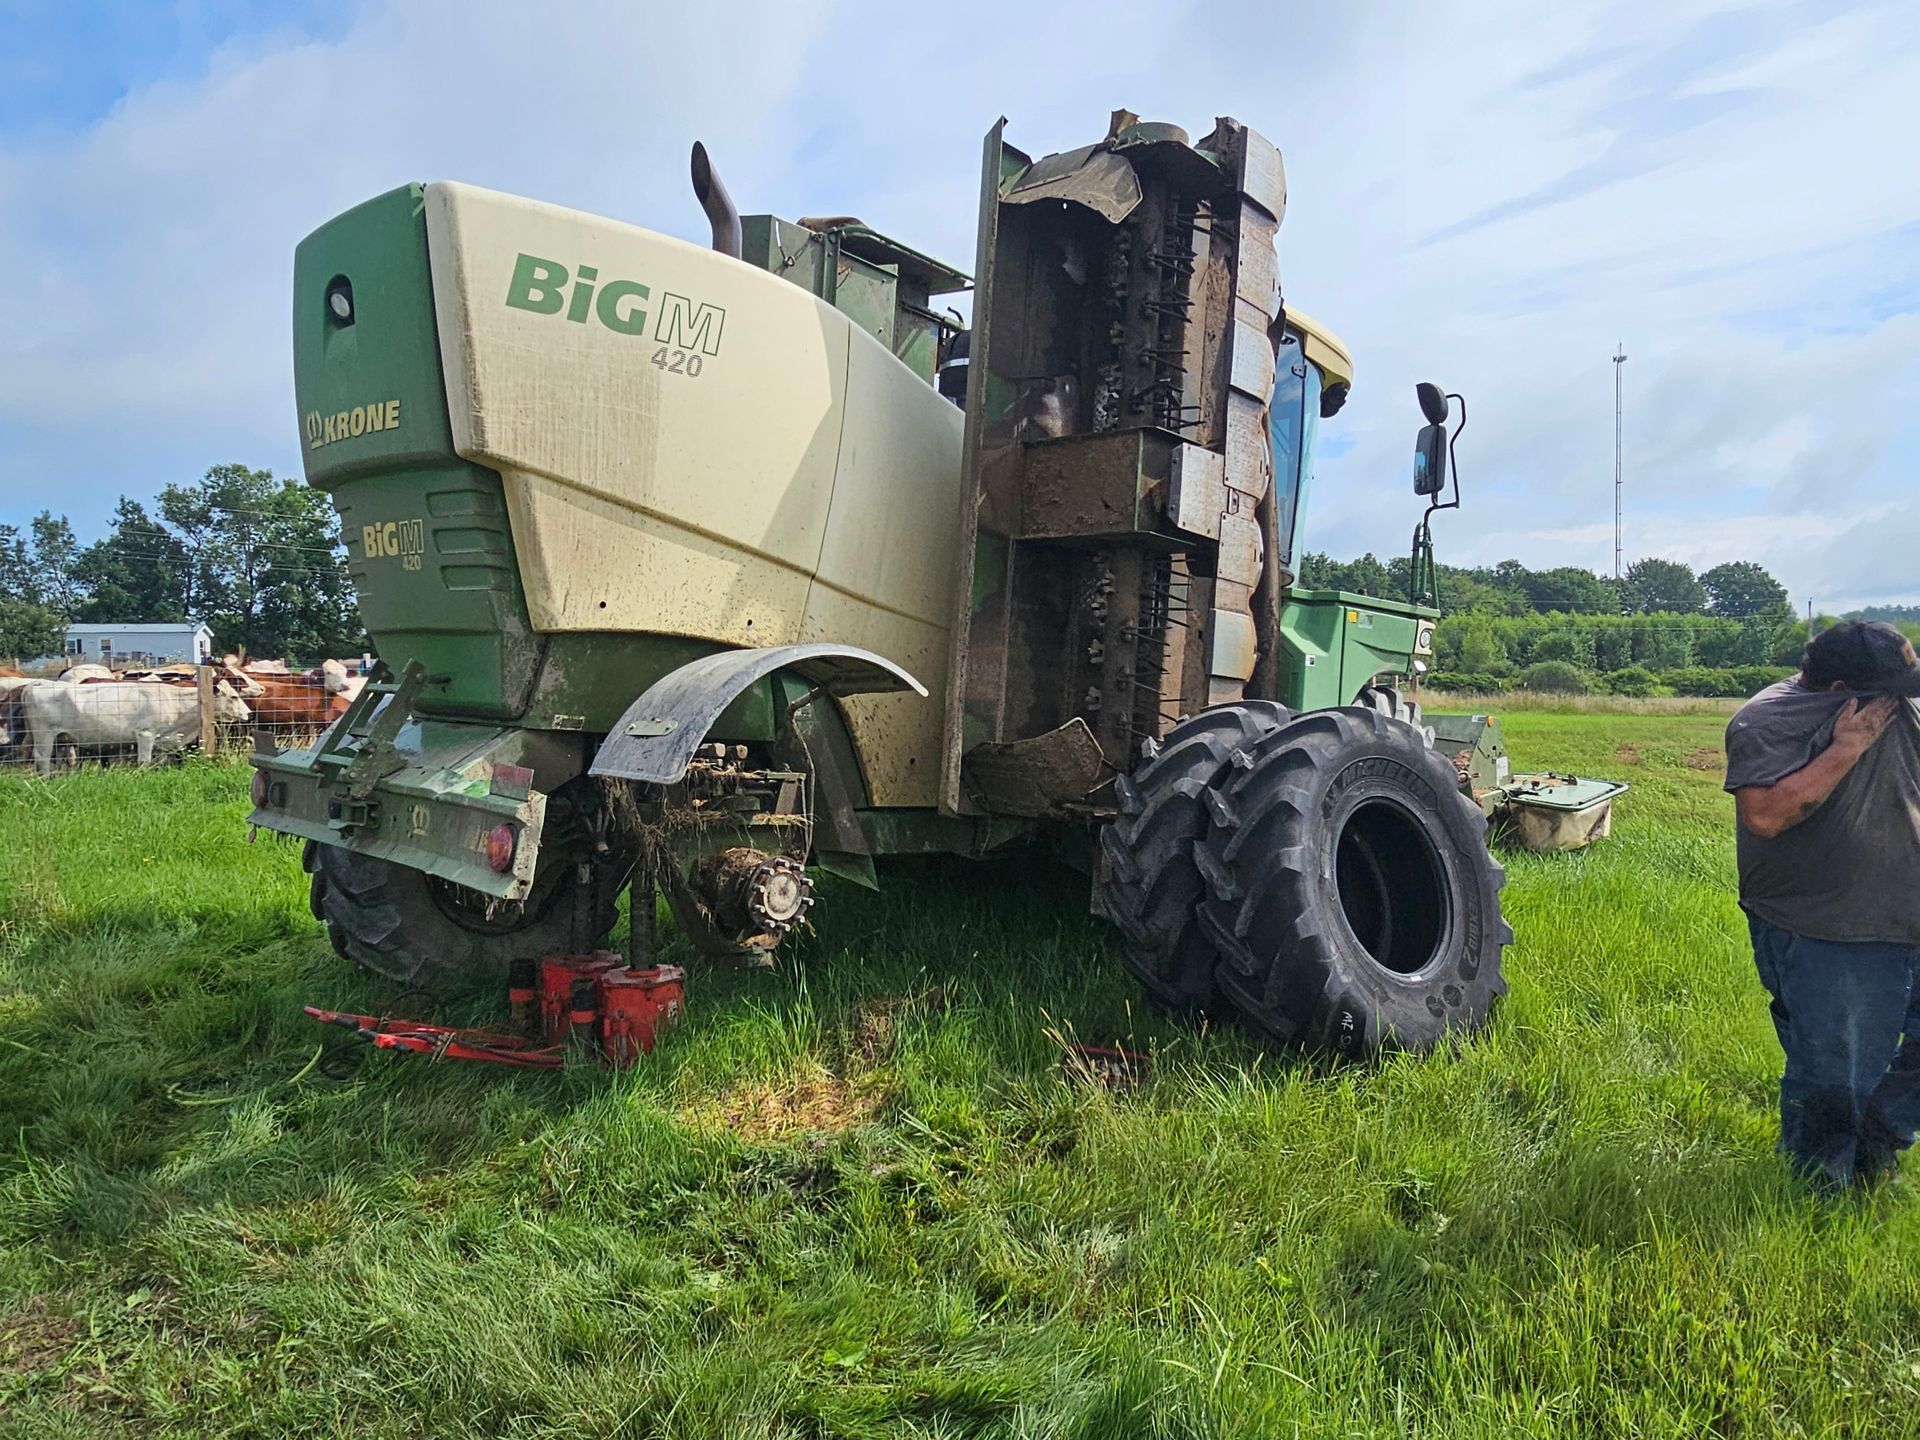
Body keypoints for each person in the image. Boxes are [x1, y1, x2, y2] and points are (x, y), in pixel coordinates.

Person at [1725, 620, 1920, 1191]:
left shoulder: (1899, 703)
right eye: (1893, 686)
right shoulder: (1766, 721)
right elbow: (1765, 815)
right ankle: (1821, 1187)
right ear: (1841, 690)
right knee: (1836, 1076)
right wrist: (1848, 747)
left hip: (1908, 915)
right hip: (1826, 928)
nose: (1903, 695)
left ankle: (1880, 1138)